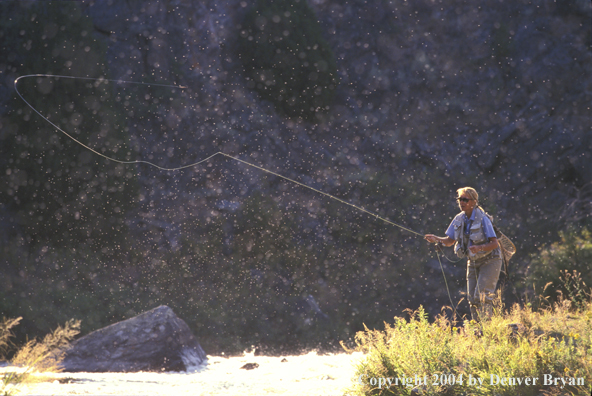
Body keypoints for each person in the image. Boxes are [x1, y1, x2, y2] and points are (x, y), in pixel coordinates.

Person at [424, 187, 502, 321]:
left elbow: (495, 243)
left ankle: (488, 329)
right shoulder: (459, 218)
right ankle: (477, 329)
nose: (462, 202)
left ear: (474, 201)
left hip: (491, 260)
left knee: (482, 297)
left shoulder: (483, 219)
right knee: (472, 298)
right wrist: (436, 239)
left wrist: (480, 247)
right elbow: (449, 241)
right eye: (460, 199)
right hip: (473, 261)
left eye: (465, 199)